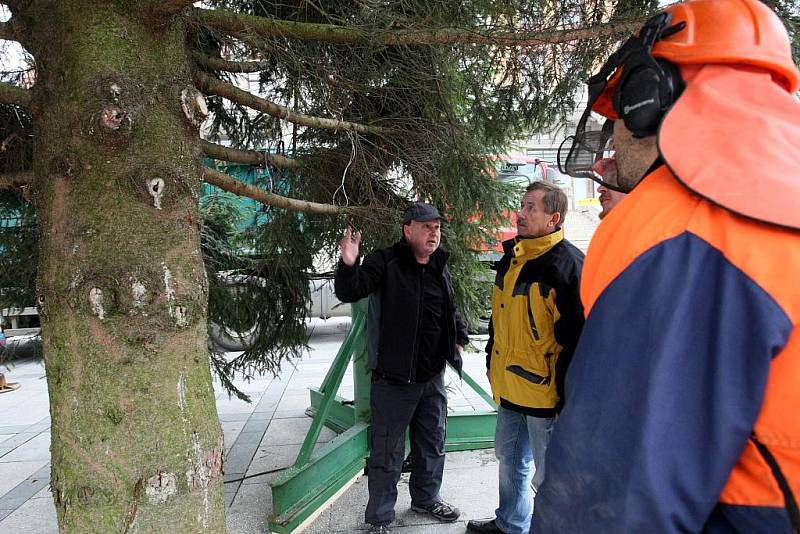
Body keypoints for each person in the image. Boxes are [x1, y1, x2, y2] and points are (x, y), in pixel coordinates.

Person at [538, 0, 800, 532]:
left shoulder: (674, 228)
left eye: (618, 114)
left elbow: (612, 505)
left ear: (647, 96)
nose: (612, 138)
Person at [334, 202, 469, 534]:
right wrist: (348, 263)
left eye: (437, 227)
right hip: (394, 379)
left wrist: (459, 334)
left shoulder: (439, 263)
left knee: (432, 442)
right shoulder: (385, 261)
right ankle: (380, 516)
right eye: (426, 227)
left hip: (431, 376)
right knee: (386, 450)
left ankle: (426, 497)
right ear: (407, 229)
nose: (433, 233)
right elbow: (350, 290)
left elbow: (447, 306)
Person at [467, 181, 584, 534]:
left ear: (554, 218)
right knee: (510, 460)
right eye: (522, 205)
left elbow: (577, 342)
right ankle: (511, 523)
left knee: (550, 476)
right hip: (509, 388)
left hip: (546, 397)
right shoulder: (512, 259)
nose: (521, 213)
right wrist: (491, 364)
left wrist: (567, 399)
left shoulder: (568, 267)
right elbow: (499, 324)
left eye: (531, 207)